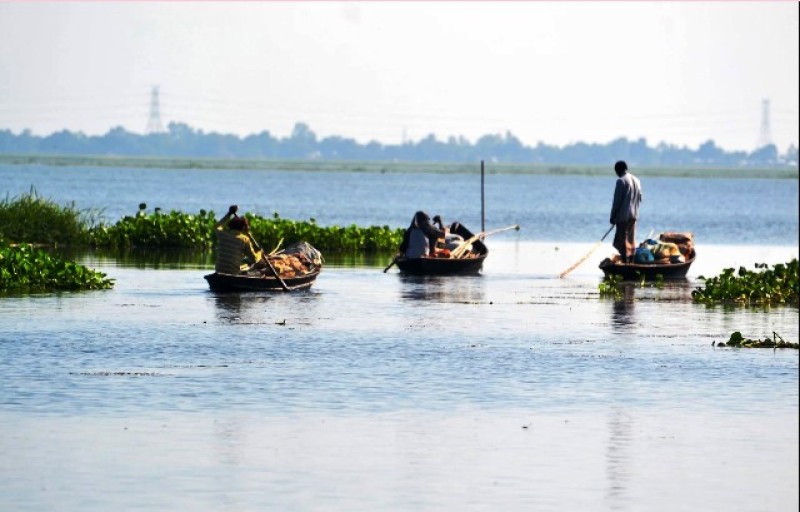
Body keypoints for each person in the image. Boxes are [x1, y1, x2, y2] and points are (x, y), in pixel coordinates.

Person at [609, 160, 643, 263]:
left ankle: (625, 262)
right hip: (634, 215)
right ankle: (631, 261)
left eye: (616, 171)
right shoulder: (637, 180)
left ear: (618, 170)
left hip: (623, 216)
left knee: (622, 240)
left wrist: (612, 216)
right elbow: (640, 197)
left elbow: (617, 201)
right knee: (631, 239)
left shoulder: (621, 181)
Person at [214, 205, 264, 274]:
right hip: (233, 272)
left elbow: (217, 226)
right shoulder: (244, 239)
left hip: (219, 270)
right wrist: (259, 254)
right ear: (243, 228)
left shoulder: (223, 234)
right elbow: (254, 260)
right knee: (256, 272)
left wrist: (229, 214)